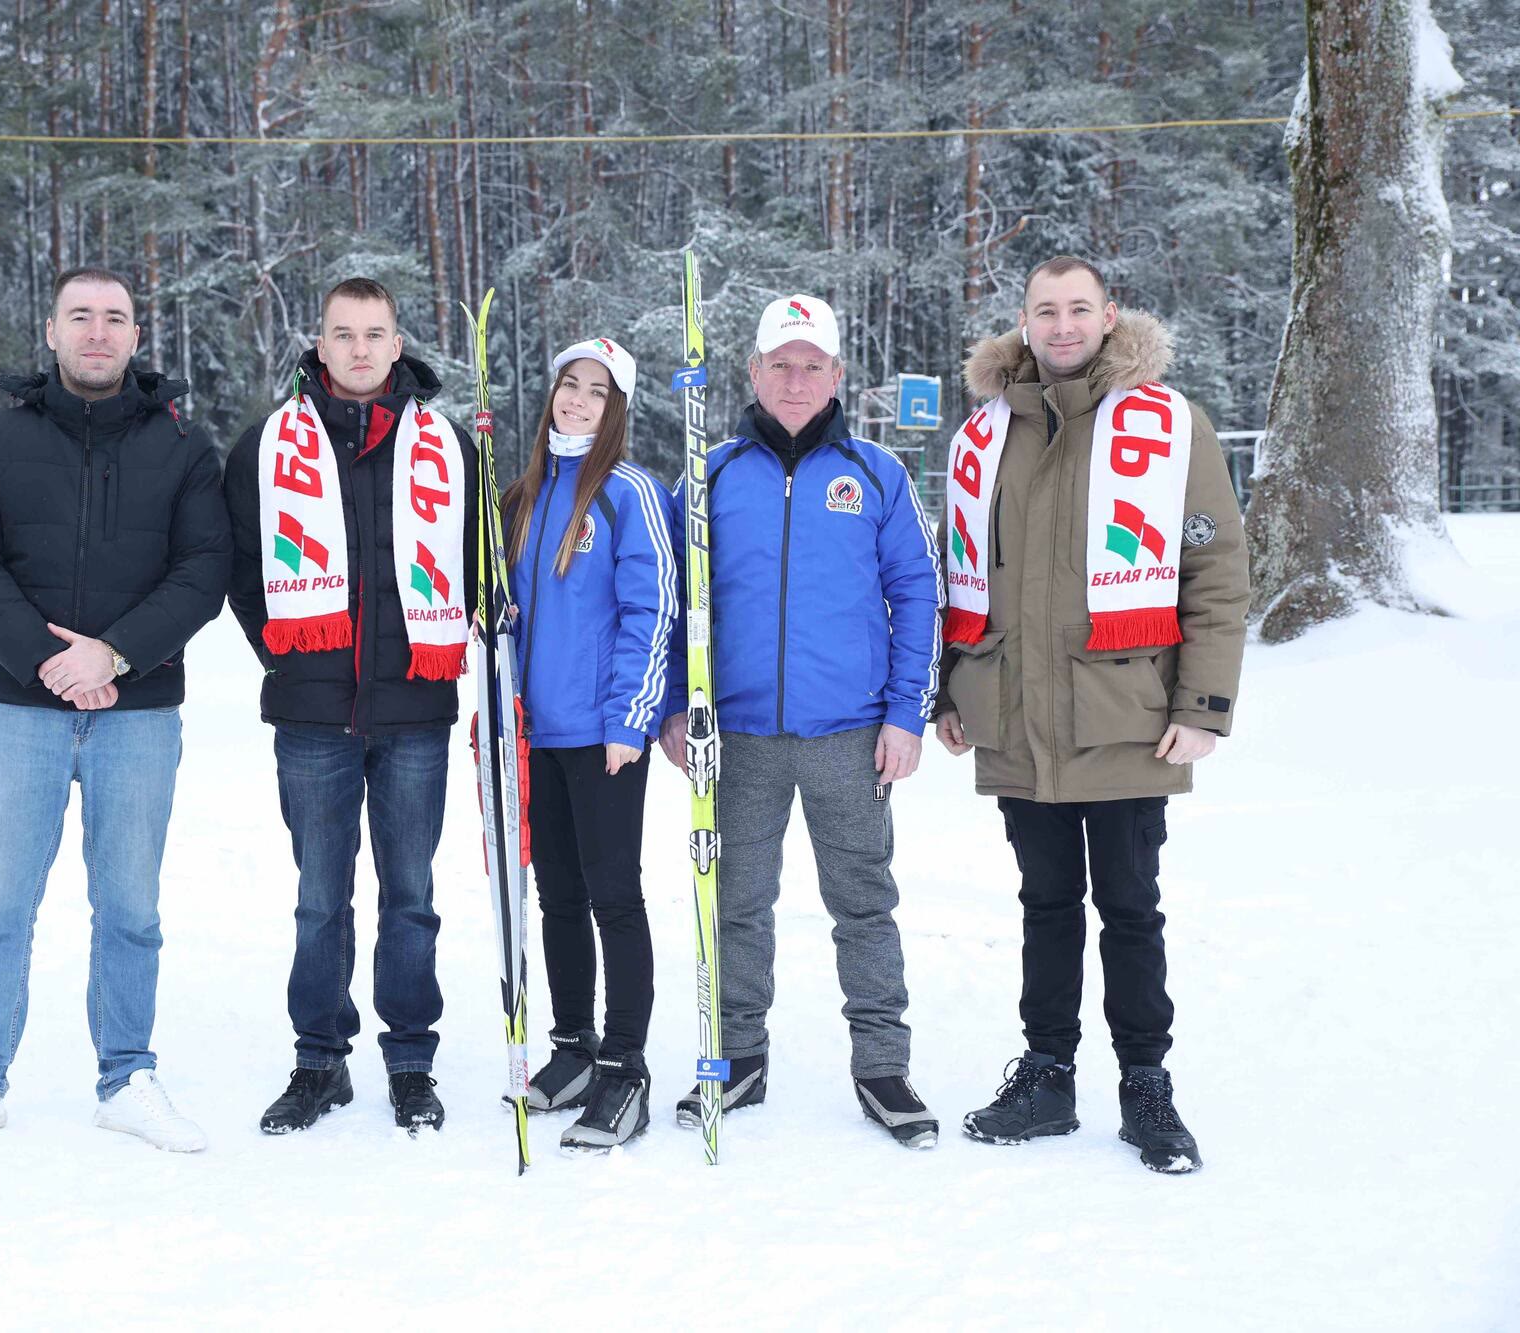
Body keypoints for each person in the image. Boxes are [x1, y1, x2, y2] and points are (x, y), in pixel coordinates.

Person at [0, 267, 231, 1162]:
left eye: (115, 317)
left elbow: (204, 571)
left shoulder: (183, 449)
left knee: (130, 906)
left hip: (137, 715)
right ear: (50, 332)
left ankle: (127, 1078)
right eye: (80, 316)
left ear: (137, 336)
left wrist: (113, 654)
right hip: (19, 709)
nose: (98, 331)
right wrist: (53, 662)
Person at [935, 255, 1248, 1174]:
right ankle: (1046, 1073)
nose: (1062, 325)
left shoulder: (1167, 424)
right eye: (1045, 310)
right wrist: (954, 691)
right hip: (1015, 709)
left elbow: (1216, 572)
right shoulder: (983, 435)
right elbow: (958, 576)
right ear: (1022, 322)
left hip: (1126, 712)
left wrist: (1205, 705)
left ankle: (1145, 1083)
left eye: (1079, 308)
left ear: (1110, 316)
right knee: (1043, 904)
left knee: (1129, 906)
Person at [659, 294, 944, 1148]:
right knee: (739, 902)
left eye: (811, 364)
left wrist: (905, 714)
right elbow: (676, 601)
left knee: (863, 902)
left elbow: (917, 594)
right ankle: (739, 1054)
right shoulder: (708, 473)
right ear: (751, 372)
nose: (794, 379)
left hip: (850, 734)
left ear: (837, 374)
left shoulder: (878, 475)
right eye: (778, 363)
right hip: (737, 734)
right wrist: (677, 705)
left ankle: (881, 1064)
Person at [223, 277, 476, 1136]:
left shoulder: (447, 446)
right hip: (313, 716)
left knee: (411, 893)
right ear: (319, 343)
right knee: (319, 898)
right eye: (344, 333)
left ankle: (410, 1062)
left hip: (416, 712)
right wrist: (291, 658)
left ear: (397, 344)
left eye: (375, 333)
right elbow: (244, 568)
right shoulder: (269, 445)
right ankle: (319, 1061)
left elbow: (476, 568)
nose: (361, 348)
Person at [502, 338, 676, 1152]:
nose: (575, 400)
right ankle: (573, 1048)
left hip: (605, 734)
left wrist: (630, 719)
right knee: (558, 895)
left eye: (596, 391)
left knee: (614, 894)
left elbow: (653, 611)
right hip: (537, 734)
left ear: (619, 409)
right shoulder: (526, 495)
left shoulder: (628, 492)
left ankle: (625, 1065)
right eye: (568, 385)